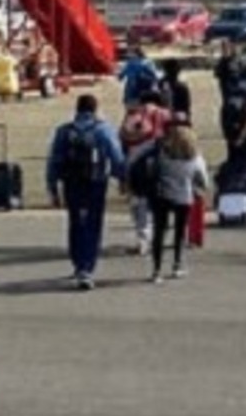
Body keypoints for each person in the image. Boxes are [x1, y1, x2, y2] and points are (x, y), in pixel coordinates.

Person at [46, 93, 126, 290]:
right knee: (93, 223)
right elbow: (116, 156)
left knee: (75, 222)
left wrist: (52, 187)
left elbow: (54, 160)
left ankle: (77, 262)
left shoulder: (64, 131)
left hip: (71, 182)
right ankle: (87, 267)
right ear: (95, 109)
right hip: (96, 181)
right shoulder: (103, 130)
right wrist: (123, 178)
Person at [146, 124, 211, 284]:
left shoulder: (162, 154)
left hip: (162, 194)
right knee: (180, 231)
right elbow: (203, 180)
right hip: (184, 196)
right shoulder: (195, 158)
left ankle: (156, 270)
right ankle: (177, 264)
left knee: (160, 232)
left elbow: (152, 170)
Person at [118, 91, 171, 255]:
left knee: (139, 203)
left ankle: (143, 240)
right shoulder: (167, 114)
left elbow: (123, 137)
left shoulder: (135, 114)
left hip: (137, 163)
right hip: (164, 161)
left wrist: (123, 178)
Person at [118, 45, 163, 111]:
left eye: (130, 53)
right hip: (138, 94)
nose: (128, 56)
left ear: (136, 54)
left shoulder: (143, 63)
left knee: (136, 112)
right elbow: (120, 77)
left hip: (138, 94)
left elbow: (120, 77)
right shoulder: (131, 64)